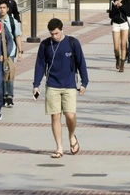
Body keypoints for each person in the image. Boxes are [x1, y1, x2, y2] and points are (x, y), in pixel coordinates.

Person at [32, 18, 89, 159]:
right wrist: (36, 84)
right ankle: (59, 147)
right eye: (52, 34)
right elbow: (39, 65)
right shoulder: (45, 45)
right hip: (52, 85)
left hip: (69, 84)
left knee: (70, 115)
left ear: (62, 29)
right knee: (55, 116)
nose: (54, 36)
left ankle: (71, 136)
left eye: (56, 33)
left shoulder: (72, 43)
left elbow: (81, 62)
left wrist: (84, 82)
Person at [0, 0, 22, 107]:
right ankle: (2, 95)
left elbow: (17, 36)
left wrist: (20, 52)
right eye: (0, 8)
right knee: (1, 75)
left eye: (4, 8)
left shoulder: (13, 21)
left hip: (10, 51)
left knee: (9, 74)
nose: (2, 10)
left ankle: (9, 96)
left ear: (7, 9)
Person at [109, 0, 130, 71]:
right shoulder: (112, 2)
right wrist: (115, 7)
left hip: (124, 24)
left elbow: (128, 13)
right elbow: (111, 15)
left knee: (123, 45)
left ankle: (122, 64)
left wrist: (121, 6)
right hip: (115, 24)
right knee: (116, 47)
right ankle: (117, 58)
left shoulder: (126, 2)